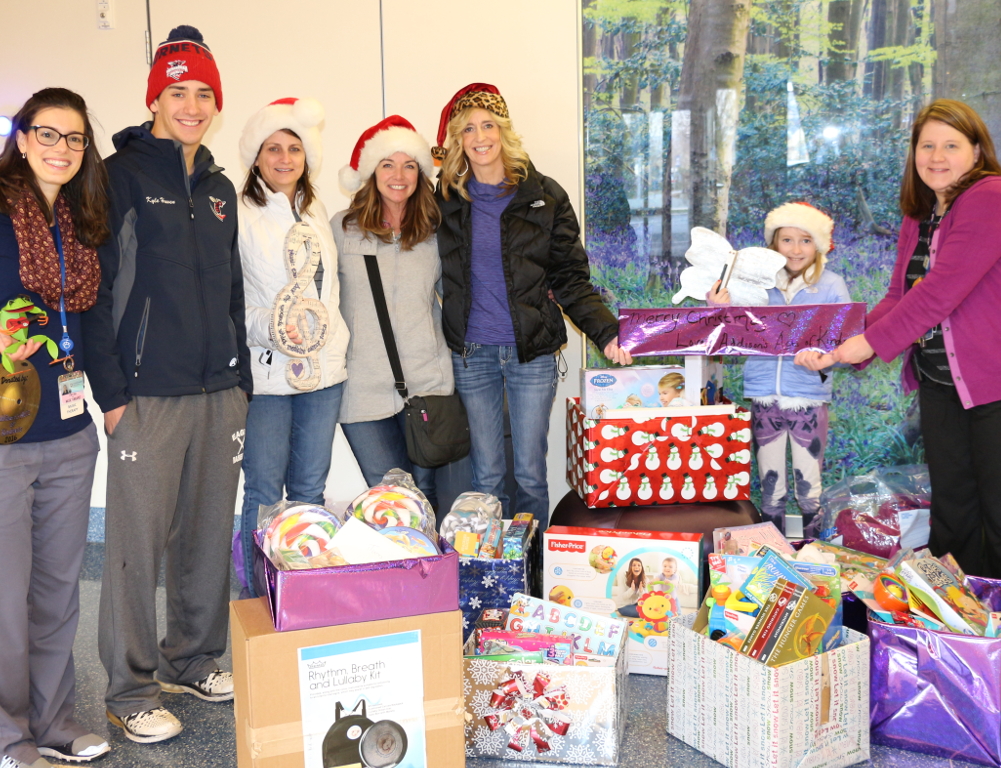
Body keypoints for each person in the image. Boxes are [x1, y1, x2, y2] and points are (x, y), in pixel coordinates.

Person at [81, 25, 252, 743]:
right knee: (134, 544)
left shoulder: (217, 186)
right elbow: (95, 292)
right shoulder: (119, 177)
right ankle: (128, 687)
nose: (191, 104)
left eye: (203, 92)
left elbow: (234, 290)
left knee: (209, 535)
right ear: (154, 98)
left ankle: (193, 656)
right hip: (147, 396)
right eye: (176, 91)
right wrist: (113, 397)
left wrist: (241, 374)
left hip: (220, 391)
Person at [434, 83, 631, 528]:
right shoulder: (444, 201)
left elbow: (570, 279)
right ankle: (493, 574)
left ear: (504, 132)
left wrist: (606, 331)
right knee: (485, 475)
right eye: (469, 129)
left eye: (488, 125)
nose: (480, 136)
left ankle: (532, 572)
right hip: (472, 356)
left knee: (529, 474)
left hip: (532, 354)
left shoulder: (545, 195)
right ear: (458, 141)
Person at [833, 99, 1001, 577]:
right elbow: (898, 296)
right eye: (926, 145)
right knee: (954, 513)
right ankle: (963, 625)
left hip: (993, 386)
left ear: (976, 151)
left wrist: (866, 345)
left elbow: (940, 294)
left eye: (951, 145)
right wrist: (842, 346)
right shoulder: (920, 213)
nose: (936, 156)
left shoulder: (991, 196)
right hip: (940, 385)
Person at [0, 88, 110, 768]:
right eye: (48, 134)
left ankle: (54, 720)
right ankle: (8, 730)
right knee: (5, 596)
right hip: (6, 435)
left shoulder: (76, 220)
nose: (61, 148)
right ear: (20, 137)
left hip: (69, 429)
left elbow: (85, 321)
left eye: (74, 138)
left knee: (58, 590)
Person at [236, 97, 349, 596]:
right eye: (273, 148)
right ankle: (256, 598)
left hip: (323, 375)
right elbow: (231, 300)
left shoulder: (316, 208)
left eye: (294, 149)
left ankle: (305, 594)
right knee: (262, 492)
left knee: (309, 492)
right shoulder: (238, 215)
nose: (285, 158)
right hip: (267, 373)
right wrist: (276, 328)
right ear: (256, 156)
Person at [709, 202, 849, 535]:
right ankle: (774, 547)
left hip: (808, 398)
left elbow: (847, 338)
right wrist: (717, 306)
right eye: (787, 240)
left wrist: (824, 355)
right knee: (769, 482)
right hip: (764, 396)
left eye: (805, 240)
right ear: (773, 244)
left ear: (819, 244)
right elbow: (728, 326)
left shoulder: (831, 285)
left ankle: (814, 548)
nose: (796, 249)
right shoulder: (756, 285)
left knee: (807, 481)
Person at [332, 116, 451, 509]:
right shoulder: (341, 229)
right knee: (391, 503)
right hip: (362, 390)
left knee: (427, 498)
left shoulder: (436, 231)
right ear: (370, 173)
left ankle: (429, 573)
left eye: (409, 165)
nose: (399, 175)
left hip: (427, 385)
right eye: (388, 164)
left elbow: (460, 293)